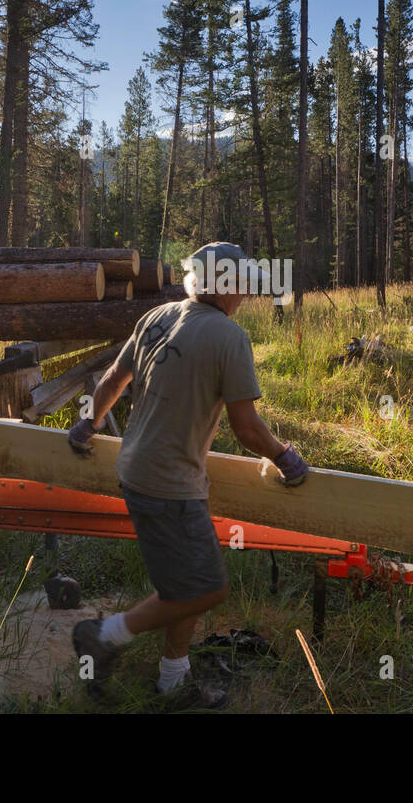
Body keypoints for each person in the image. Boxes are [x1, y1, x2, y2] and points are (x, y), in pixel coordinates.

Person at [68, 241, 309, 704]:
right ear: (227, 287)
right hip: (168, 487)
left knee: (180, 586)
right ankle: (103, 635)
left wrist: (87, 425)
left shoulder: (156, 317)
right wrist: (286, 459)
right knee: (207, 590)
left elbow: (113, 380)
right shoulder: (229, 337)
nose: (243, 296)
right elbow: (247, 429)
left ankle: (171, 682)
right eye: (241, 287)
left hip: (139, 471)